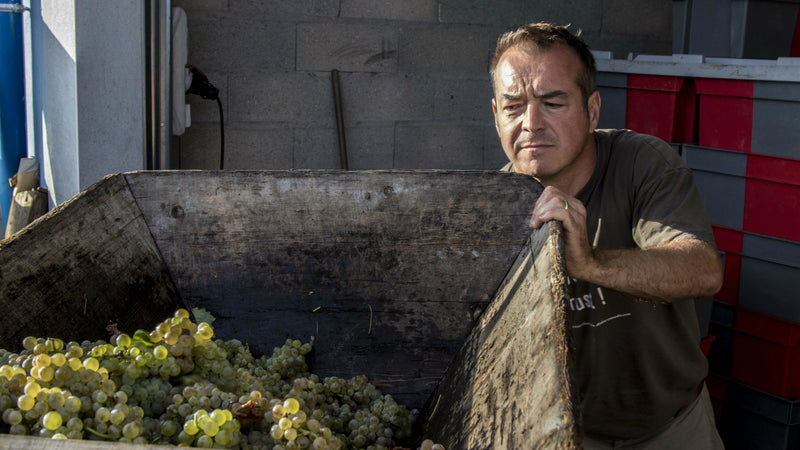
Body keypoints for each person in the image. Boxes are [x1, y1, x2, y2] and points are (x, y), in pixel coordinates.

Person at [490, 23, 725, 448]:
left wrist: (590, 263)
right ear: (496, 114)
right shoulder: (491, 204)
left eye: (553, 102)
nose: (531, 123)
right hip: (565, 438)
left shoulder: (642, 164)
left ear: (592, 110)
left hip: (669, 429)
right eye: (514, 106)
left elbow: (702, 269)